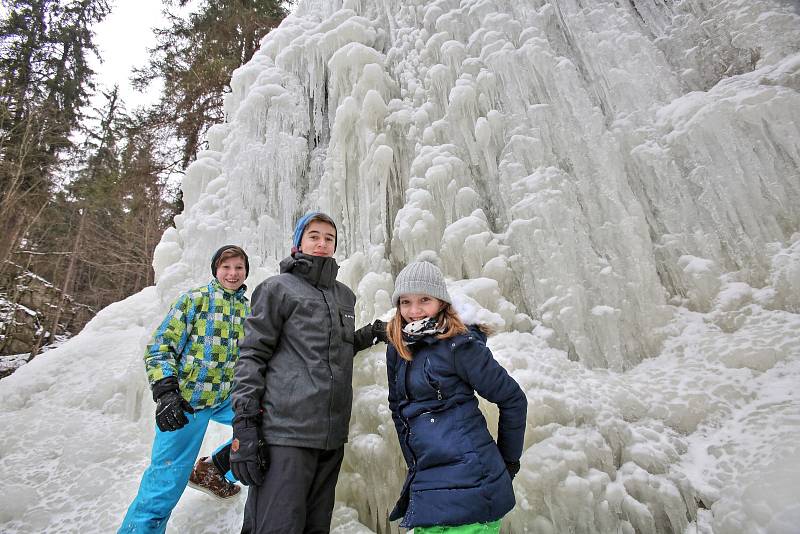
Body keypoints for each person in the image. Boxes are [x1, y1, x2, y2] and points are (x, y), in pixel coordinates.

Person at [231, 211, 386, 534]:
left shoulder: (343, 295)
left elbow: (336, 350)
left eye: (329, 238)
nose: (322, 243)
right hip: (286, 433)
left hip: (330, 436)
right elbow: (252, 354)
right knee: (277, 527)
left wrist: (371, 332)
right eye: (314, 236)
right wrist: (245, 425)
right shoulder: (277, 289)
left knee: (315, 527)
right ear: (298, 242)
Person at [385, 260, 527, 533]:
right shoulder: (398, 348)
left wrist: (508, 463)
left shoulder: (459, 346)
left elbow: (513, 399)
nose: (414, 311)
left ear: (441, 301)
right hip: (428, 486)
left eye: (424, 299)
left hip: (474, 486)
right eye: (405, 302)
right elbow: (398, 409)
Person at [119, 245, 251, 534]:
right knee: (165, 483)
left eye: (239, 267)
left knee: (267, 424)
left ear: (245, 272)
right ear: (216, 269)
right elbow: (159, 347)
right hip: (188, 401)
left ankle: (214, 469)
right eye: (226, 267)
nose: (232, 273)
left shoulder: (247, 309)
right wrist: (167, 392)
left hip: (226, 397)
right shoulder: (195, 300)